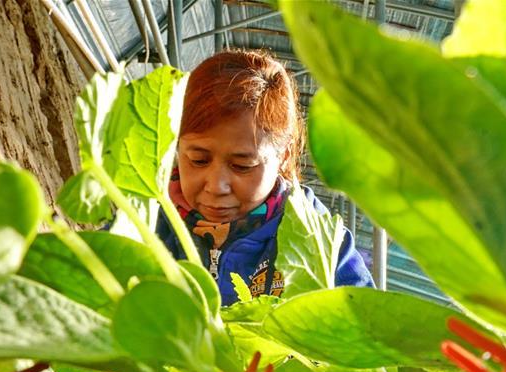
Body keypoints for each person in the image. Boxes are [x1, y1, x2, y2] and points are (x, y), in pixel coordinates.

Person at [156, 49, 374, 305]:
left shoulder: (322, 242)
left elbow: (369, 330)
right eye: (198, 160)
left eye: (242, 165)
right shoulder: (145, 221)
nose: (216, 187)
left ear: (285, 154)